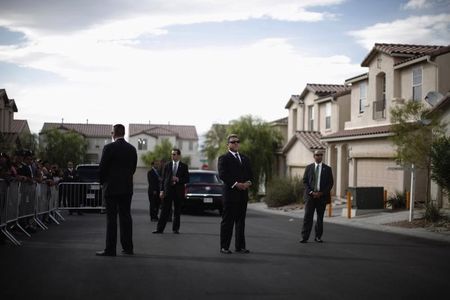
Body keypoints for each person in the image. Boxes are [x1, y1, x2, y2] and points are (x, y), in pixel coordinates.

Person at [96, 124, 137, 257]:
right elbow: (133, 169)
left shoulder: (109, 148)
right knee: (126, 217)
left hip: (111, 188)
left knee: (111, 219)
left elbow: (102, 168)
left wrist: (103, 183)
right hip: (126, 188)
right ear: (124, 133)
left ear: (114, 133)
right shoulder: (132, 149)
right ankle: (128, 247)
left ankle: (110, 249)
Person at [217, 134, 253, 254]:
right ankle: (224, 247)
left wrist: (247, 183)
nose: (236, 143)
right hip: (230, 196)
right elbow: (222, 175)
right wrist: (236, 184)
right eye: (233, 142)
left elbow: (250, 174)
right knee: (228, 222)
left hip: (243, 195)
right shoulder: (224, 158)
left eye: (237, 141)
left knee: (240, 222)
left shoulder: (245, 158)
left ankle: (240, 246)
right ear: (228, 144)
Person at [300, 149, 334, 243]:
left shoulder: (327, 169)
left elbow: (330, 183)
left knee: (320, 218)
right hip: (310, 197)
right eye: (317, 155)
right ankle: (304, 237)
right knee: (308, 217)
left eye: (321, 155)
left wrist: (321, 193)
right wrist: (311, 192)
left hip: (321, 197)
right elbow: (305, 182)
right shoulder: (309, 168)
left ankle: (318, 237)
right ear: (314, 156)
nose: (319, 156)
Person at [153, 148, 189, 234]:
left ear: (179, 156)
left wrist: (178, 179)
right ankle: (159, 229)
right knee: (164, 210)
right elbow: (163, 179)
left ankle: (175, 229)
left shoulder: (184, 166)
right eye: (172, 154)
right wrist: (161, 190)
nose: (172, 156)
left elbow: (187, 179)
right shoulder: (167, 165)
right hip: (168, 191)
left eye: (174, 154)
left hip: (178, 192)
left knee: (177, 211)